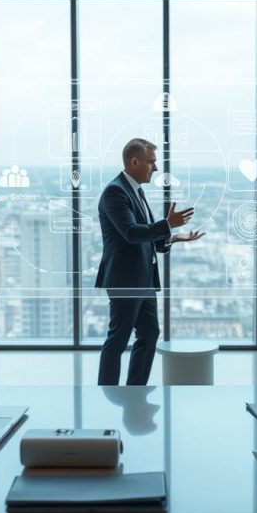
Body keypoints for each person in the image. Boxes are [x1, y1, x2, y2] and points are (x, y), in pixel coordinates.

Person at [95, 138, 204, 386]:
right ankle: (106, 393)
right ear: (135, 162)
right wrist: (167, 224)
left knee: (149, 334)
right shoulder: (115, 192)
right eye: (151, 162)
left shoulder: (136, 191)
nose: (155, 168)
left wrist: (173, 237)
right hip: (125, 280)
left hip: (143, 279)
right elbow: (132, 233)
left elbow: (148, 238)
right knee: (118, 339)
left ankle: (135, 390)